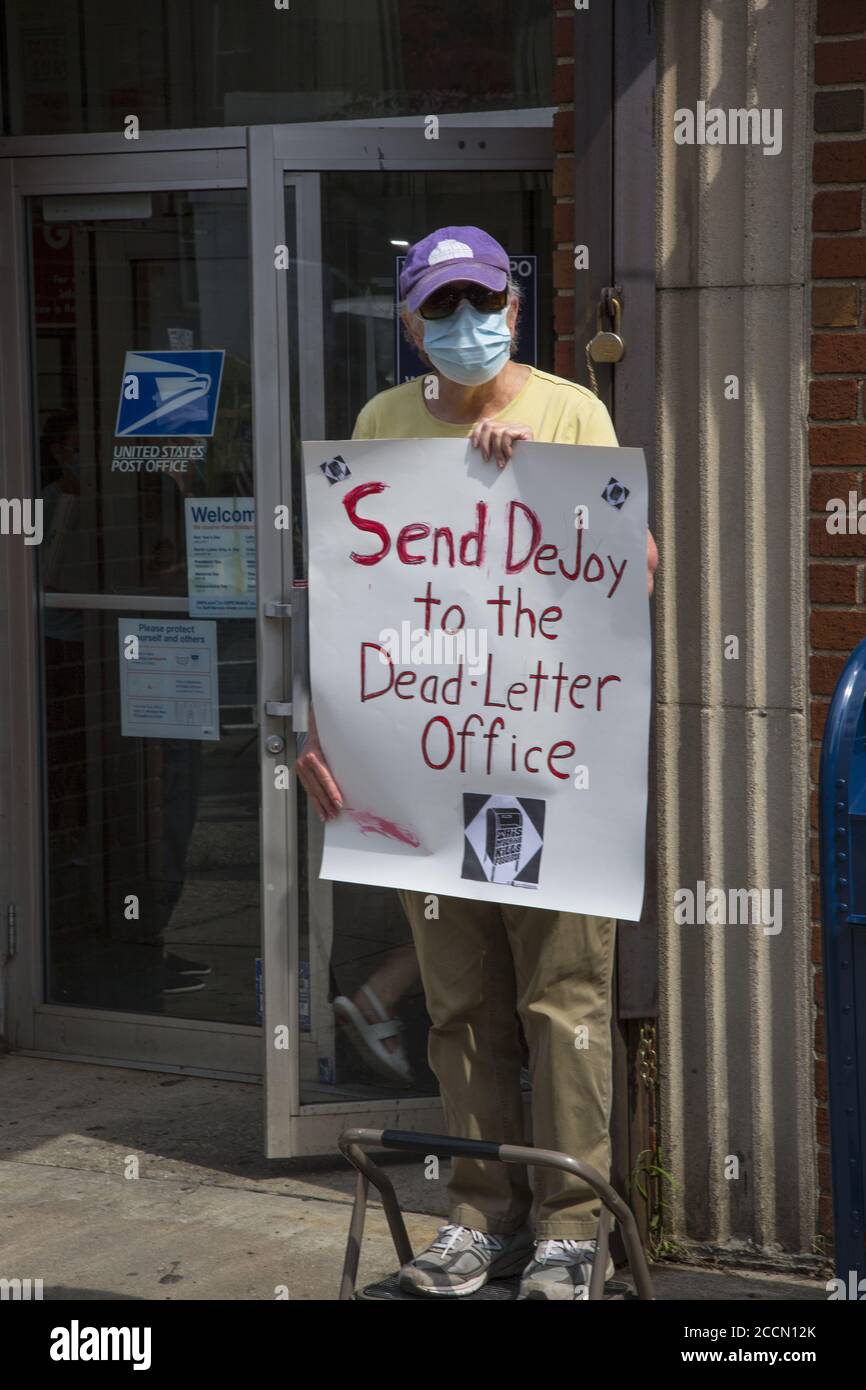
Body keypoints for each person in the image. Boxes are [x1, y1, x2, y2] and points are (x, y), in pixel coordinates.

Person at [296, 226, 658, 1300]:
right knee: (456, 1005)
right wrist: (325, 732)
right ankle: (474, 1219)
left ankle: (570, 1228)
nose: (465, 326)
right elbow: (353, 607)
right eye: (440, 309)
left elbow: (623, 571)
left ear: (511, 300)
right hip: (428, 762)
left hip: (545, 759)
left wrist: (535, 482)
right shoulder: (379, 424)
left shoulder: (568, 410)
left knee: (565, 1003)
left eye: (480, 301)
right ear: (410, 323)